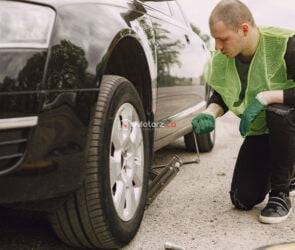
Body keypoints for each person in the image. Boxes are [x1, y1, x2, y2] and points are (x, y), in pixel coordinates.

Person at [192, 0, 295, 224]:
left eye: (223, 38)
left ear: (244, 29)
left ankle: (280, 194)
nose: (218, 46)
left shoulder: (285, 44)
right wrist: (210, 113)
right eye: (215, 38)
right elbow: (222, 93)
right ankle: (289, 170)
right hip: (264, 132)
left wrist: (267, 97)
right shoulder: (224, 58)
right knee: (242, 198)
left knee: (278, 112)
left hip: (288, 123)